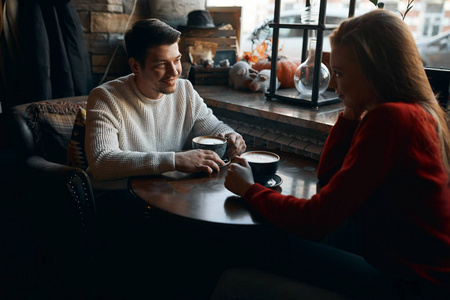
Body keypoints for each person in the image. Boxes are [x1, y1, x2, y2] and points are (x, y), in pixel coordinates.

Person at [213, 9, 450, 300]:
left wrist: (250, 189)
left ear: (372, 69)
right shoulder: (413, 113)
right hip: (404, 274)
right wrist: (350, 113)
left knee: (241, 252)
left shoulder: (392, 118)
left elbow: (314, 222)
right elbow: (329, 181)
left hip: (411, 286)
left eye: (339, 73)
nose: (334, 85)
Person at [85, 18, 246, 181]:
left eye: (176, 60)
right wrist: (174, 160)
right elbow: (101, 162)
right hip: (120, 196)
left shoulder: (185, 90)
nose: (174, 72)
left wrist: (230, 135)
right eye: (162, 64)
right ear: (135, 66)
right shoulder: (104, 97)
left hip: (166, 191)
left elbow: (214, 128)